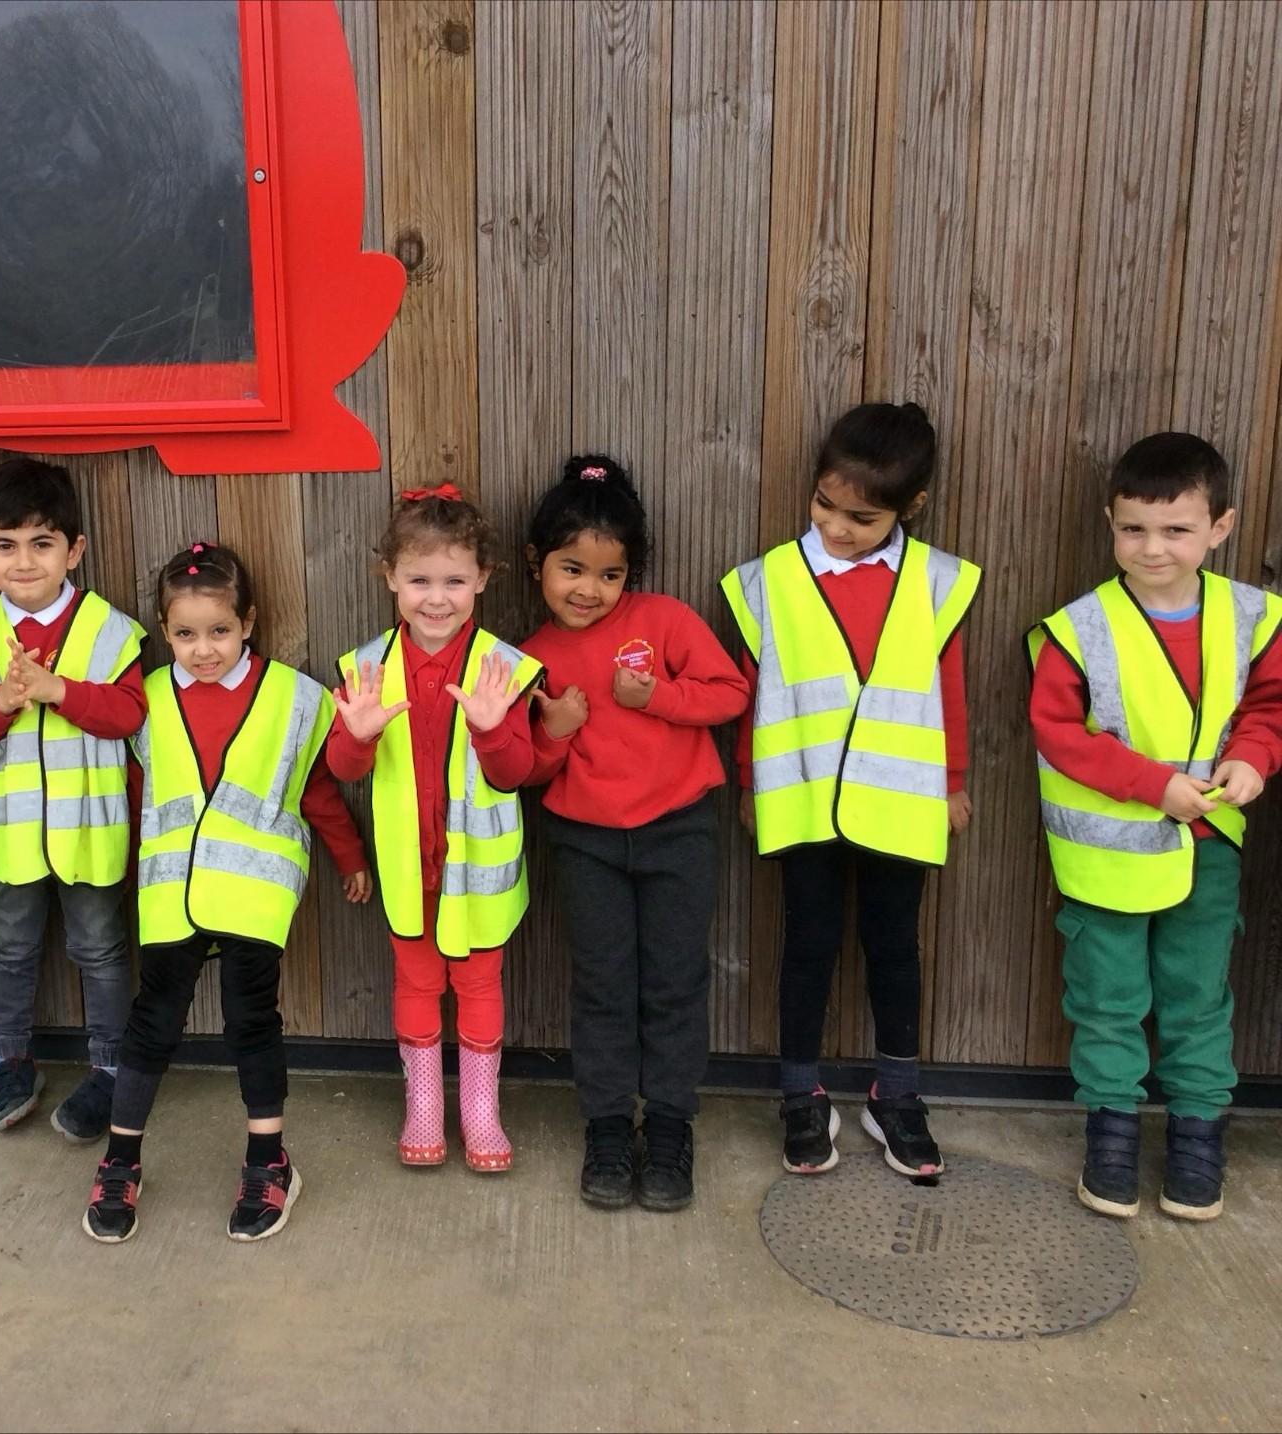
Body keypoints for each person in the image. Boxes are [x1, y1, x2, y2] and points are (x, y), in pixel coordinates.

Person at [722, 403, 979, 1180]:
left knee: (895, 948)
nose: (836, 527)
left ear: (911, 507)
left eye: (861, 518)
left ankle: (896, 1095)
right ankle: (800, 1094)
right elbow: (755, 691)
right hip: (801, 798)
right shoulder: (770, 579)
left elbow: (948, 690)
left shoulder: (935, 581)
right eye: (824, 505)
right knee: (808, 945)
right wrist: (750, 784)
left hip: (902, 800)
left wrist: (952, 784)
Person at [1029, 433, 1282, 1222]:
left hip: (1209, 850)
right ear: (1111, 523)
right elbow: (1059, 733)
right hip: (1106, 861)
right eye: (1134, 528)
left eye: (1176, 529)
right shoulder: (1079, 626)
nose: (1153, 547)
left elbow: (1269, 708)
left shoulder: (1254, 617)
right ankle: (1111, 1132)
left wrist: (1254, 759)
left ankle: (1198, 1132)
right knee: (1106, 999)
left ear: (1221, 527)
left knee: (1198, 996)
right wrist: (1155, 786)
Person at [83, 543, 367, 1244]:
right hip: (169, 890)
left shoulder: (294, 697)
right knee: (152, 1022)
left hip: (254, 891)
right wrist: (121, 868)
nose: (203, 648)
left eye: (219, 631)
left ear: (248, 623)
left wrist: (350, 856)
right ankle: (120, 1160)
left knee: (251, 1021)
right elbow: (138, 793)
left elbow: (316, 788)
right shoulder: (146, 699)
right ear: (163, 629)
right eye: (185, 633)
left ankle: (269, 1161)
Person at [521, 455, 750, 1211]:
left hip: (679, 831)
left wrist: (659, 697)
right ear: (537, 563)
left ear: (631, 575)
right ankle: (609, 1127)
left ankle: (673, 1125)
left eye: (610, 574)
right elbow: (524, 769)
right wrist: (555, 730)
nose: (589, 589)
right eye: (572, 569)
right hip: (584, 842)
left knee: (676, 981)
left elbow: (730, 693)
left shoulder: (665, 621)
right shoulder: (529, 657)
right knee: (603, 985)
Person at [329, 484, 541, 1173]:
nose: (437, 598)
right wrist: (357, 737)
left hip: (477, 871)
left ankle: (480, 1111)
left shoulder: (502, 669)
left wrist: (492, 731)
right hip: (407, 867)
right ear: (390, 576)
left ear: (483, 578)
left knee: (479, 986)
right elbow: (344, 767)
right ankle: (423, 1104)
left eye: (454, 580)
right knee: (417, 984)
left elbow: (515, 773)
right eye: (419, 580)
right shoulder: (366, 668)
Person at [0, 458, 146, 1140]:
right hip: (11, 837)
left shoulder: (112, 630)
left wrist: (59, 691)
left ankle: (112, 1068)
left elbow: (129, 714)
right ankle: (9, 1061)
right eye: (5, 545)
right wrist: (2, 700)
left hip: (90, 831)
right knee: (9, 948)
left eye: (42, 542)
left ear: (74, 550)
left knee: (101, 949)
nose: (25, 561)